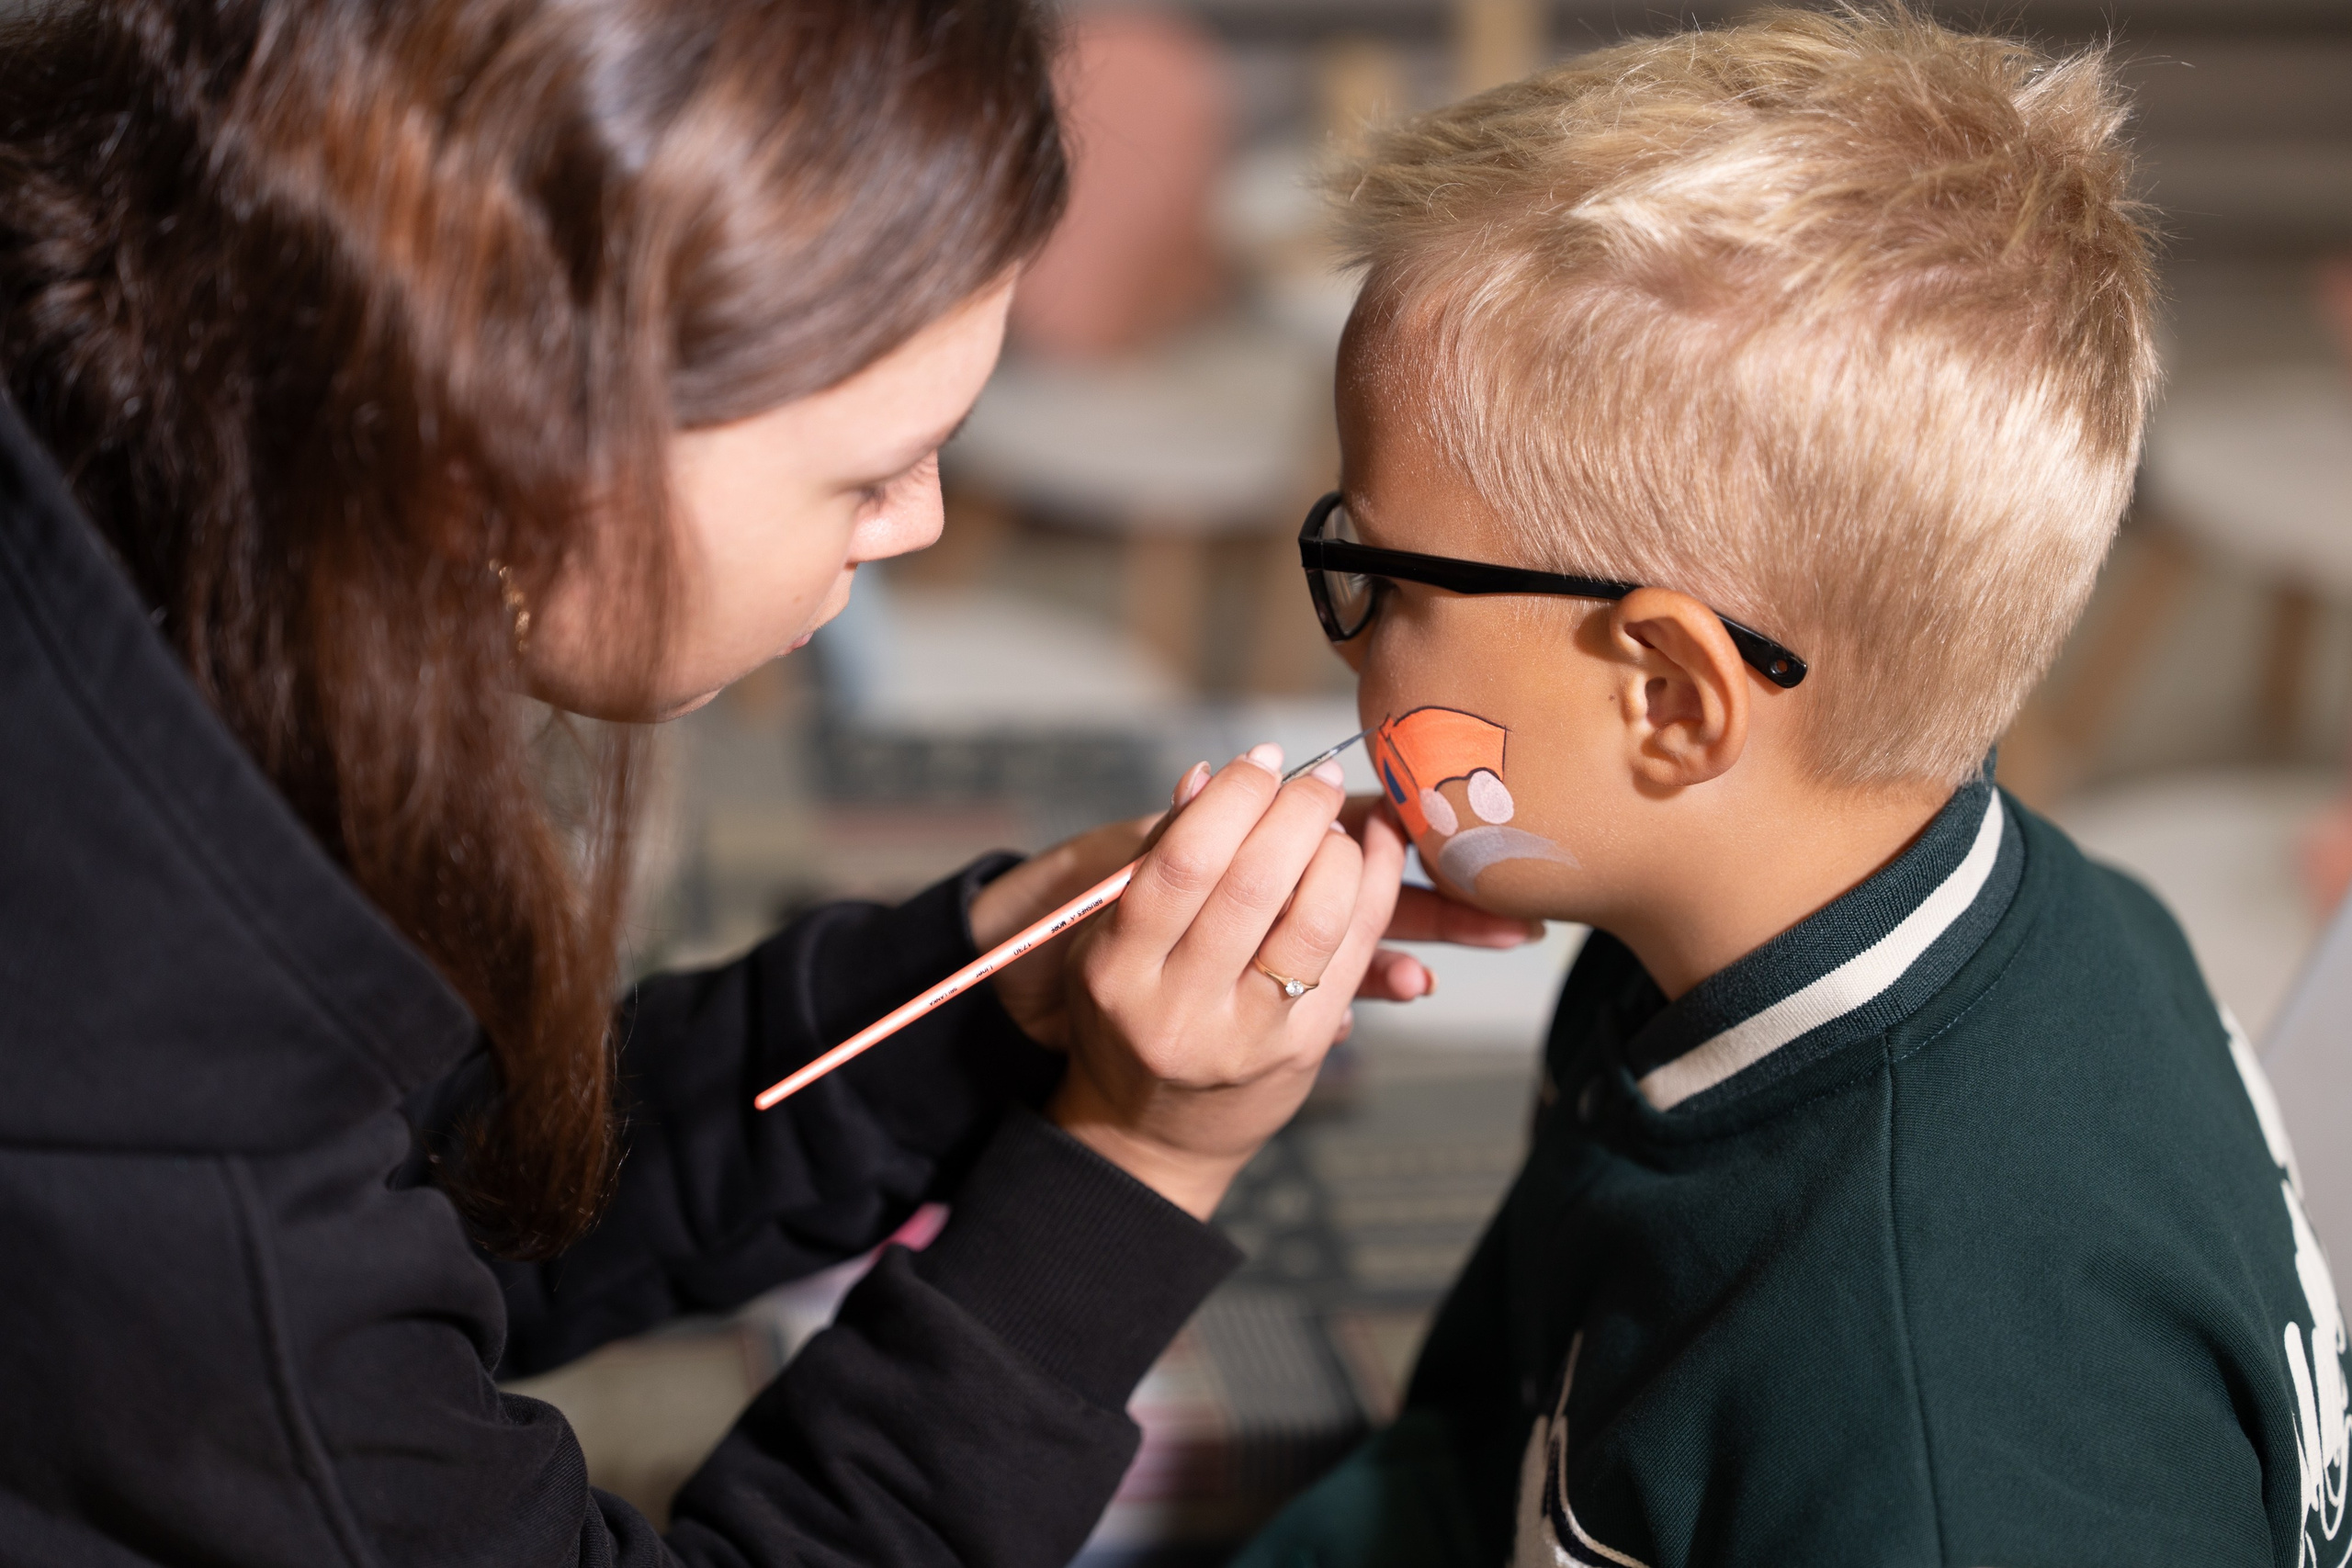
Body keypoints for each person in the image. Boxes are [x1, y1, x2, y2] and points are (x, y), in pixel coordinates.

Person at [0, 2, 1537, 1564]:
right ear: (494, 447)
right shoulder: (166, 1139)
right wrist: (1135, 1163)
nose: (920, 523)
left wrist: (974, 986)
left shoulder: (146, 542)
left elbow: (432, 1180)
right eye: (867, 470)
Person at [1238, 9, 2350, 1566]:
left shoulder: (1933, 1446)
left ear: (1673, 703)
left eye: (1371, 572)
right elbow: (1496, 1421)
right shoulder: (1698, 933)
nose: (1345, 637)